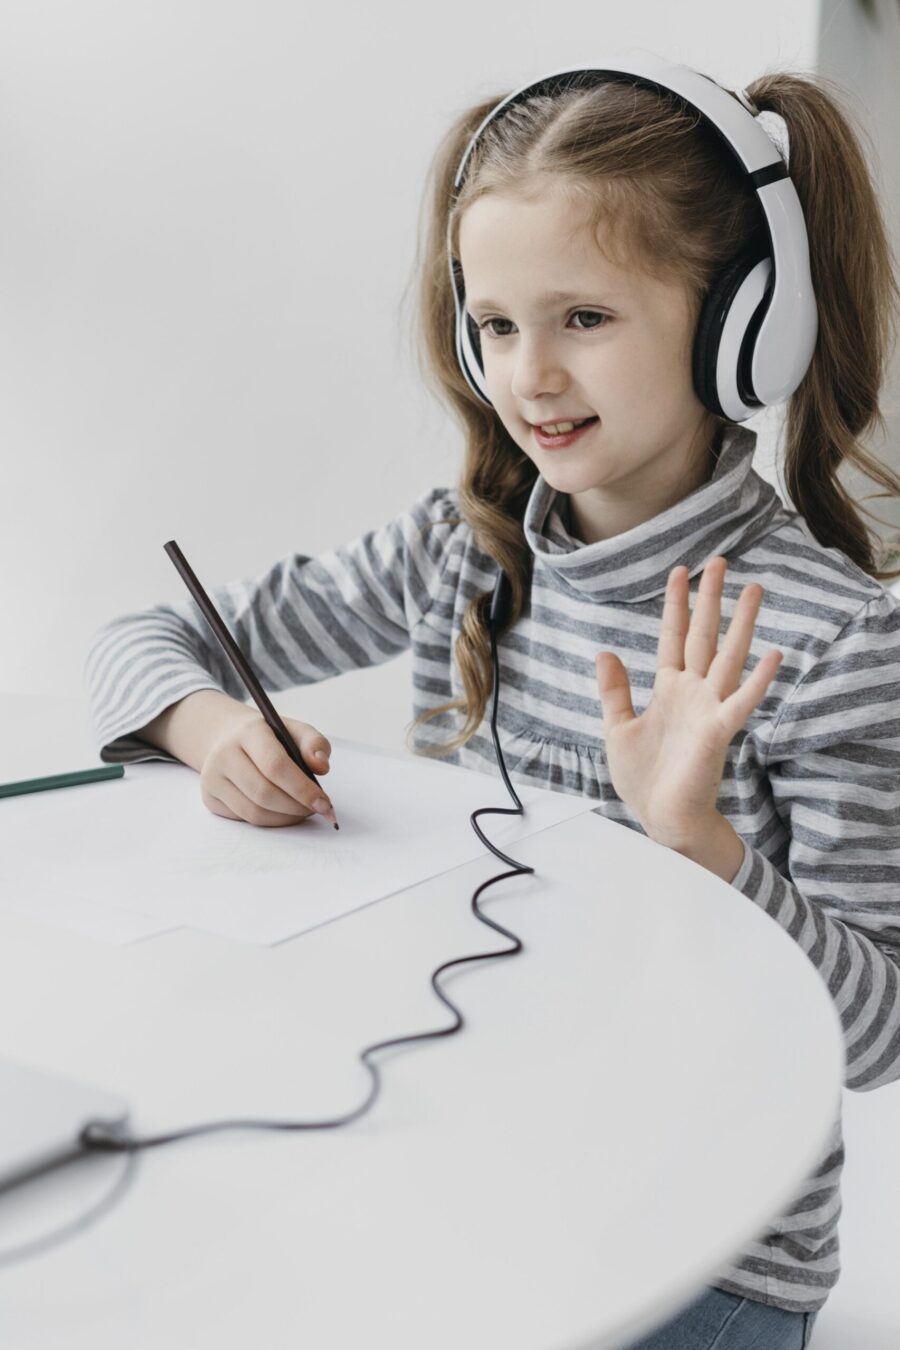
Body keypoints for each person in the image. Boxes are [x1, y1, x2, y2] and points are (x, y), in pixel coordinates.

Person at [84, 59, 900, 1349]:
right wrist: (212, 728)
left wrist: (701, 845)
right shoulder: (460, 551)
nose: (531, 377)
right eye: (499, 325)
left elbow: (875, 1036)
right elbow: (144, 637)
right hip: (478, 1192)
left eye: (585, 317)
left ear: (745, 323)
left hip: (708, 1257)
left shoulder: (836, 639)